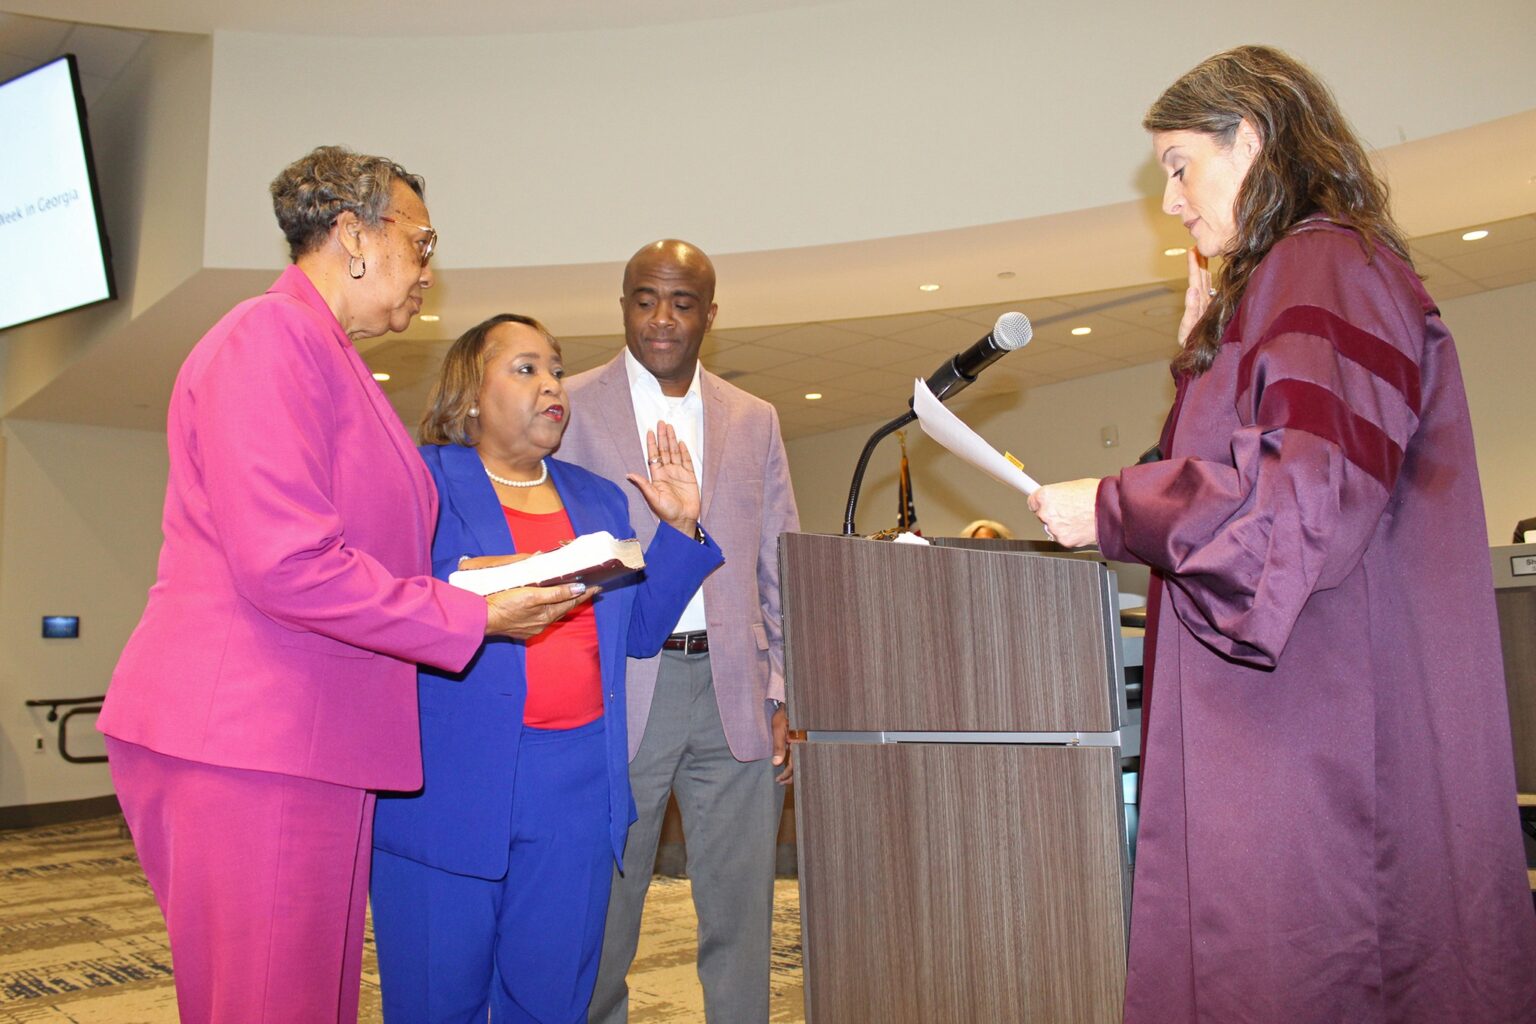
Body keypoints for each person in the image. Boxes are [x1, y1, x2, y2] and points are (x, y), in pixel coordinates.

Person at [1028, 47, 1536, 1022]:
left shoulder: (1324, 264)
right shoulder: (1294, 281)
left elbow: (1298, 511)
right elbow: (1256, 460)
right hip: (1285, 717)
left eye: (1180, 164)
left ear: (1250, 136)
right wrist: (1195, 364)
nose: (1170, 200)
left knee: (1315, 973)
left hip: (1318, 734)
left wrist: (1111, 502)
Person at [97, 147, 588, 1023]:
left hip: (305, 738)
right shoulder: (268, 336)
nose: (429, 272)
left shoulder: (332, 359)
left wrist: (468, 582)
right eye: (422, 241)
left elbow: (355, 550)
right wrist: (465, 612)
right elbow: (285, 561)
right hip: (251, 735)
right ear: (354, 236)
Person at [369, 314, 723, 1022]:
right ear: (471, 394)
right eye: (526, 369)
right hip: (449, 785)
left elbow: (638, 632)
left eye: (556, 369)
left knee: (551, 999)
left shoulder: (597, 498)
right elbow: (388, 608)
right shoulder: (418, 483)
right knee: (440, 1001)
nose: (553, 385)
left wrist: (678, 528)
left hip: (577, 787)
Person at [560, 239, 800, 1024]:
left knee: (741, 921)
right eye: (644, 298)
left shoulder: (753, 418)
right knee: (603, 922)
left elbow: (779, 563)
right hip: (620, 695)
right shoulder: (568, 406)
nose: (661, 318)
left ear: (710, 314)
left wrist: (783, 691)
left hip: (734, 693)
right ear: (624, 302)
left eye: (682, 302)